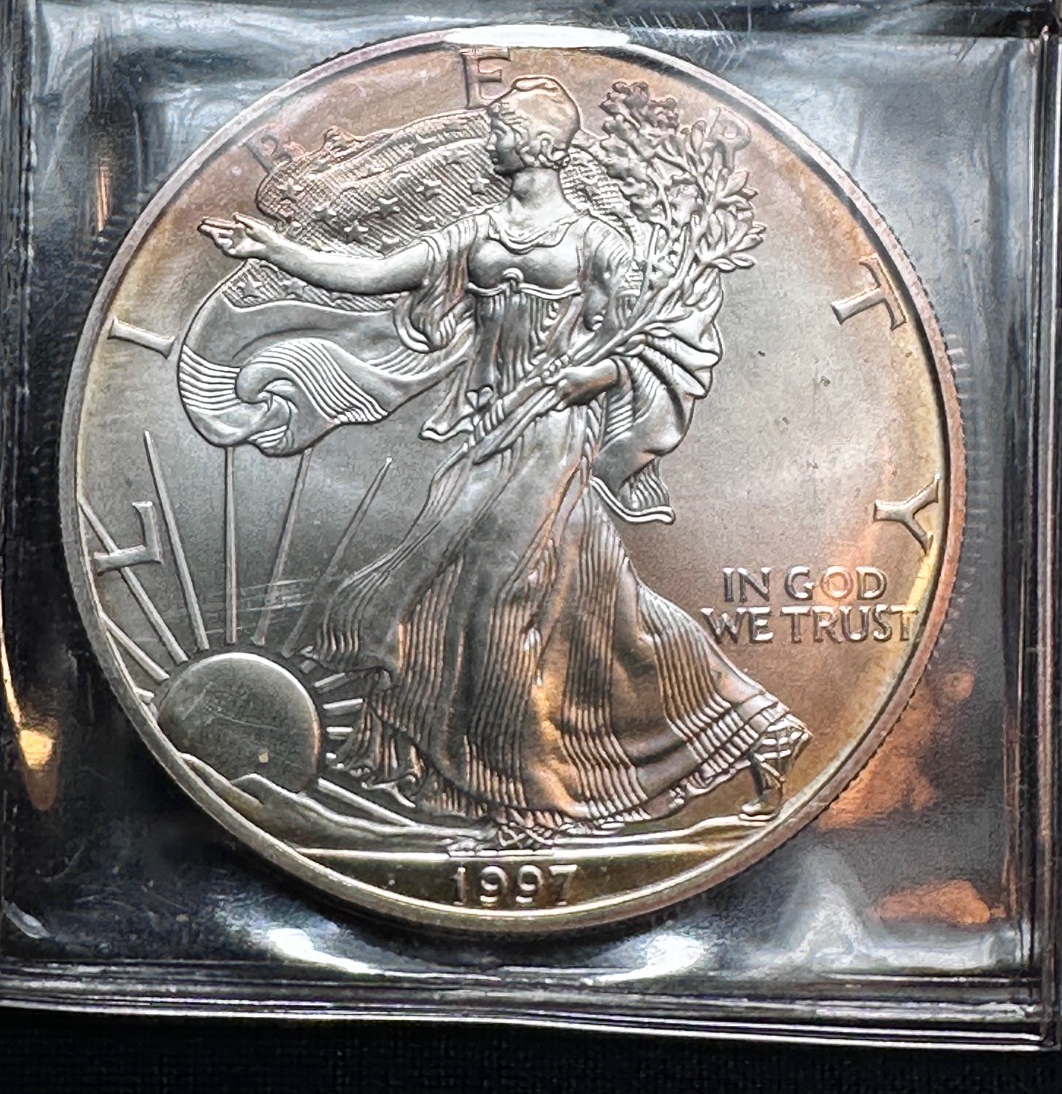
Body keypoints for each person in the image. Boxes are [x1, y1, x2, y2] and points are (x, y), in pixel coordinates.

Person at [201, 76, 808, 844]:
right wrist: (276, 249)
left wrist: (591, 376)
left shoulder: (597, 244)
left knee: (501, 605)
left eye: (502, 128)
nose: (491, 139)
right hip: (485, 432)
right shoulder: (477, 232)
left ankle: (529, 801)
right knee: (574, 612)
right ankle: (745, 726)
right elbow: (378, 274)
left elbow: (653, 345)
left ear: (542, 145)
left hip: (552, 436)